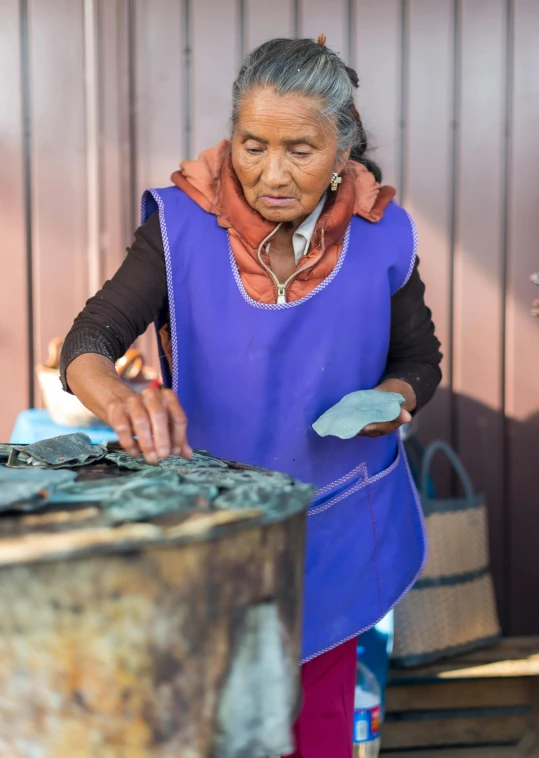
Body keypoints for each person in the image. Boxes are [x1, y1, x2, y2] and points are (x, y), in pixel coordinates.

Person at [61, 36, 441, 758]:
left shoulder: (380, 230)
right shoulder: (179, 225)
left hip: (331, 522)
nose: (271, 173)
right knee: (214, 724)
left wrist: (393, 398)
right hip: (212, 529)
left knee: (317, 719)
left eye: (300, 149)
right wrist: (118, 399)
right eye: (251, 144)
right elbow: (90, 340)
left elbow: (419, 358)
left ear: (342, 149)